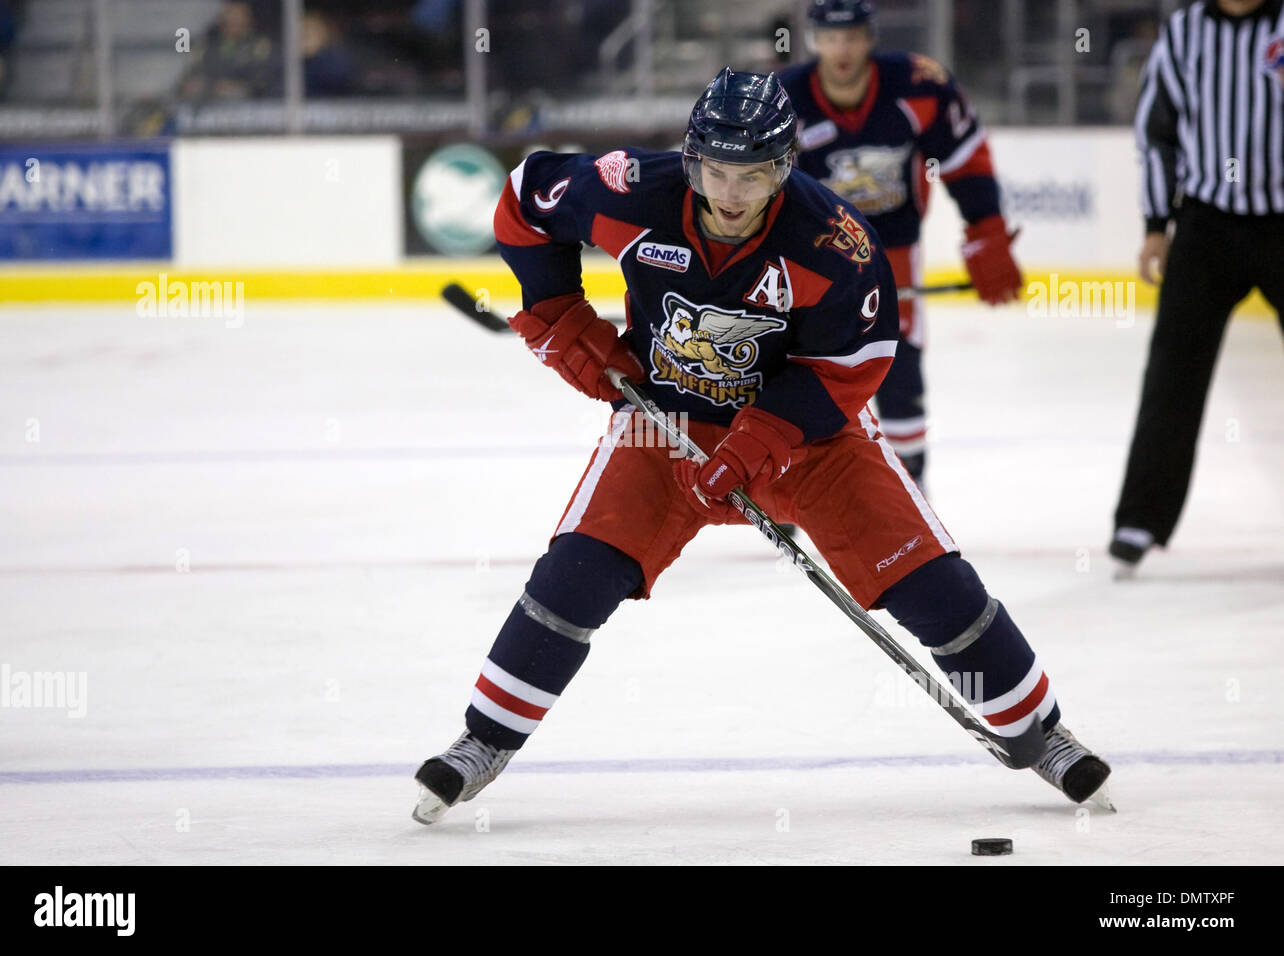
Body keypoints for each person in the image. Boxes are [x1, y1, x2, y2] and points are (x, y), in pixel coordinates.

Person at [412, 69, 1110, 825]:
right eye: (716, 169)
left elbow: (858, 362)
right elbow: (523, 199)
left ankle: (1040, 734)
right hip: (663, 426)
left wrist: (764, 438)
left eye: (754, 174)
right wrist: (557, 316)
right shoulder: (628, 192)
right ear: (690, 158)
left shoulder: (833, 243)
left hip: (809, 442)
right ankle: (482, 741)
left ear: (785, 167)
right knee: (574, 577)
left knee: (931, 588)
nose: (733, 192)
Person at [777, 0, 1022, 486]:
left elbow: (965, 157)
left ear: (870, 38)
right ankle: (787, 474)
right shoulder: (784, 99)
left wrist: (987, 231)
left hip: (892, 247)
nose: (842, 49)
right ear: (813, 41)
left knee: (898, 357)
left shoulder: (919, 85)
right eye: (830, 37)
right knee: (796, 359)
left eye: (852, 37)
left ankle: (909, 476)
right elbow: (761, 185)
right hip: (812, 253)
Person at [1111, 0, 1284, 573]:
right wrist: (1156, 226)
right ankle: (1141, 517)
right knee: (1172, 373)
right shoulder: (1184, 34)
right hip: (1207, 225)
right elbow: (1156, 131)